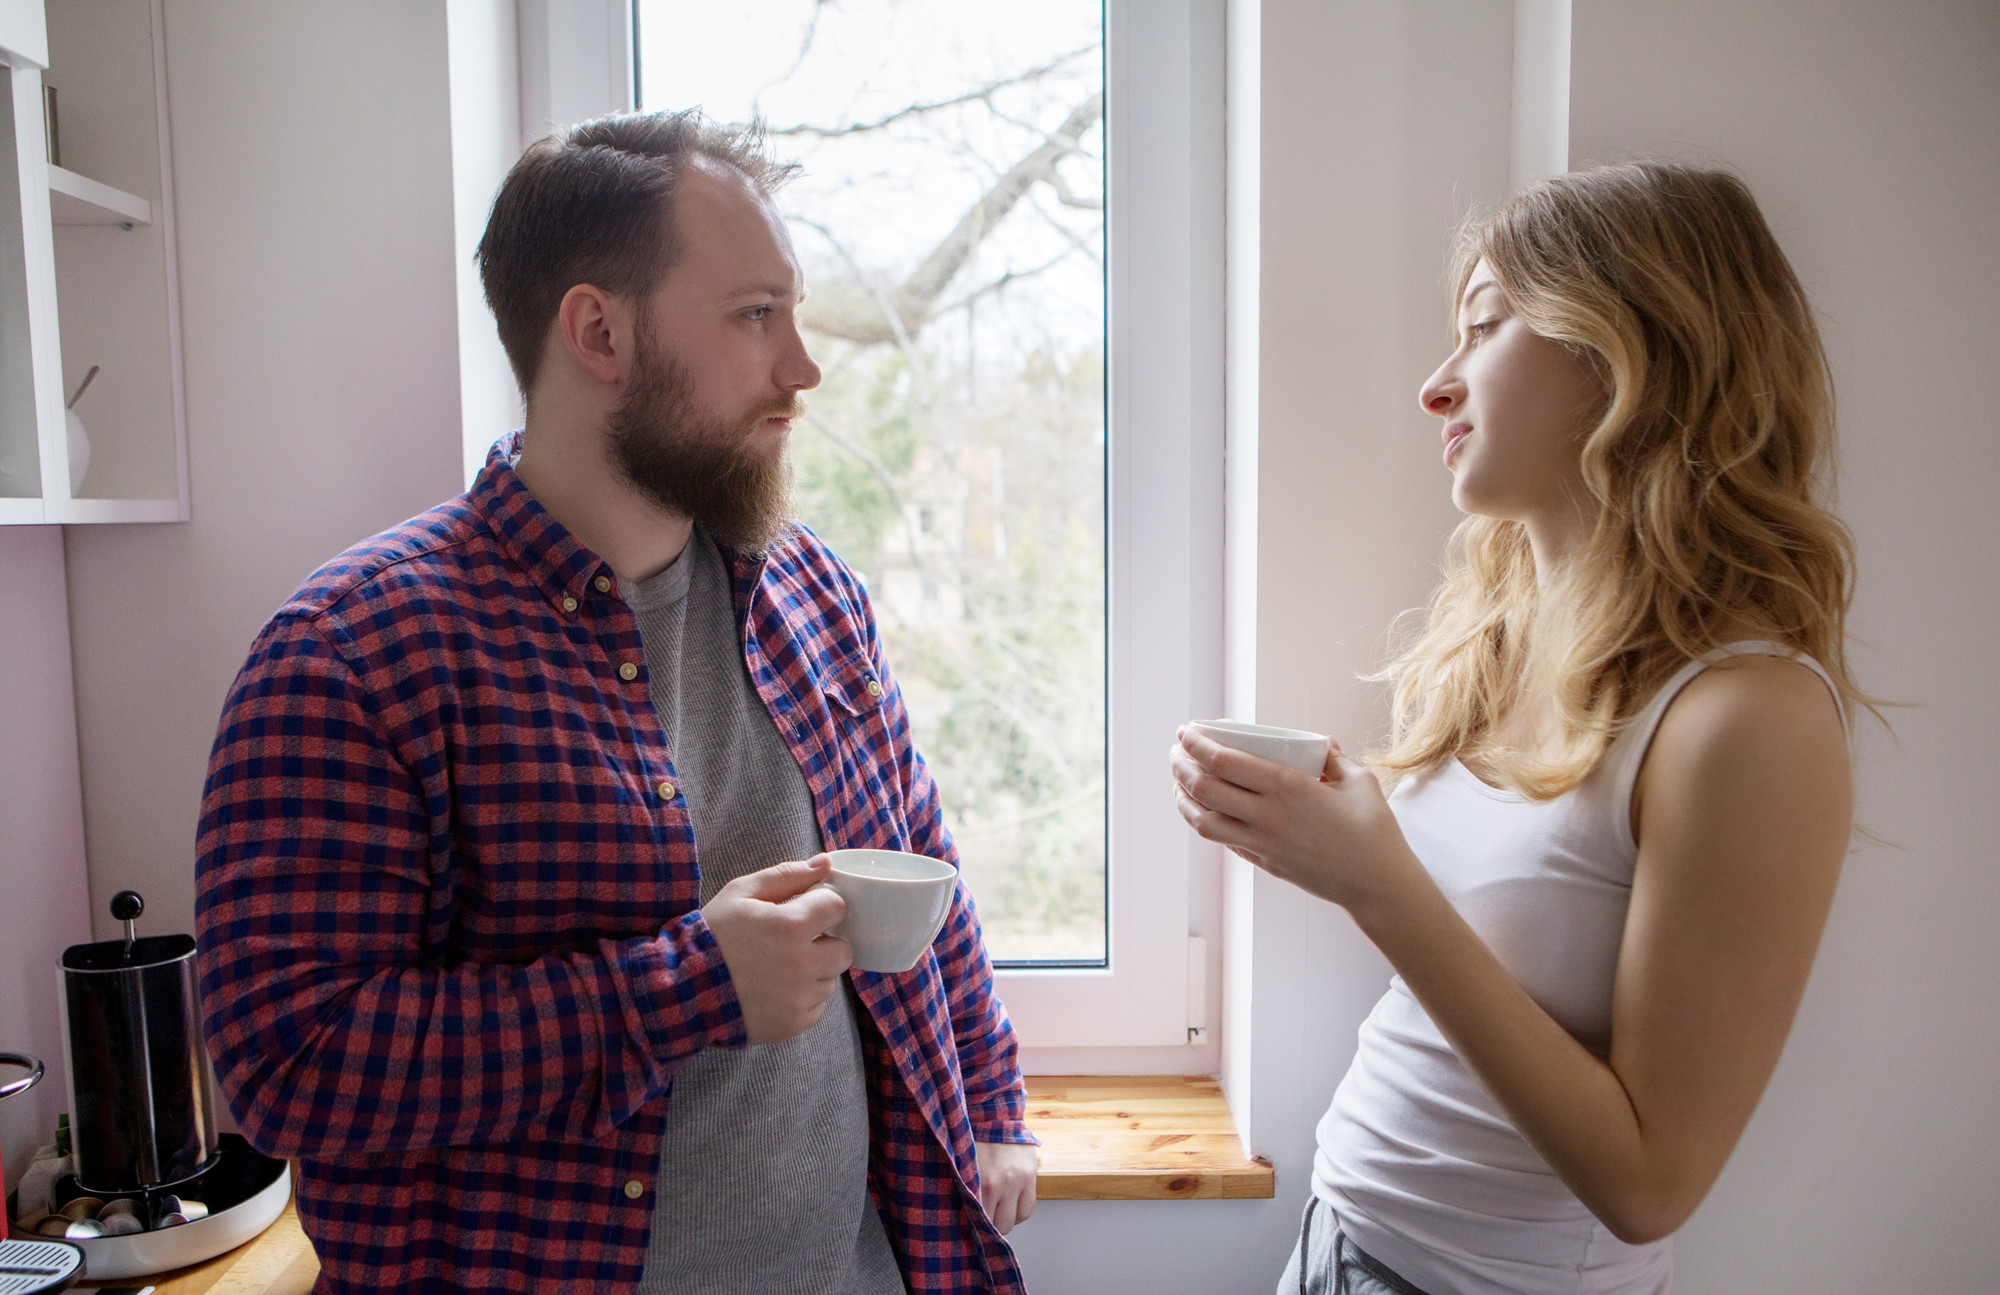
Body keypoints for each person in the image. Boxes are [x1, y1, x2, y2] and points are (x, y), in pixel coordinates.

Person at [196, 109, 1038, 1295]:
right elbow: (294, 1063)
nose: (801, 366)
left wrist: (993, 1102)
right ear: (597, 330)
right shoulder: (353, 654)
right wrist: (686, 984)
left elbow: (917, 859)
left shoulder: (813, 590)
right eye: (756, 315)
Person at [1170, 161, 1871, 1295]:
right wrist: (1326, 833)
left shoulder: (1747, 718)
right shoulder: (1504, 641)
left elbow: (1648, 1181)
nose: (1433, 388)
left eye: (1483, 328)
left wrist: (1373, 881)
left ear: (1627, 356)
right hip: (1339, 1234)